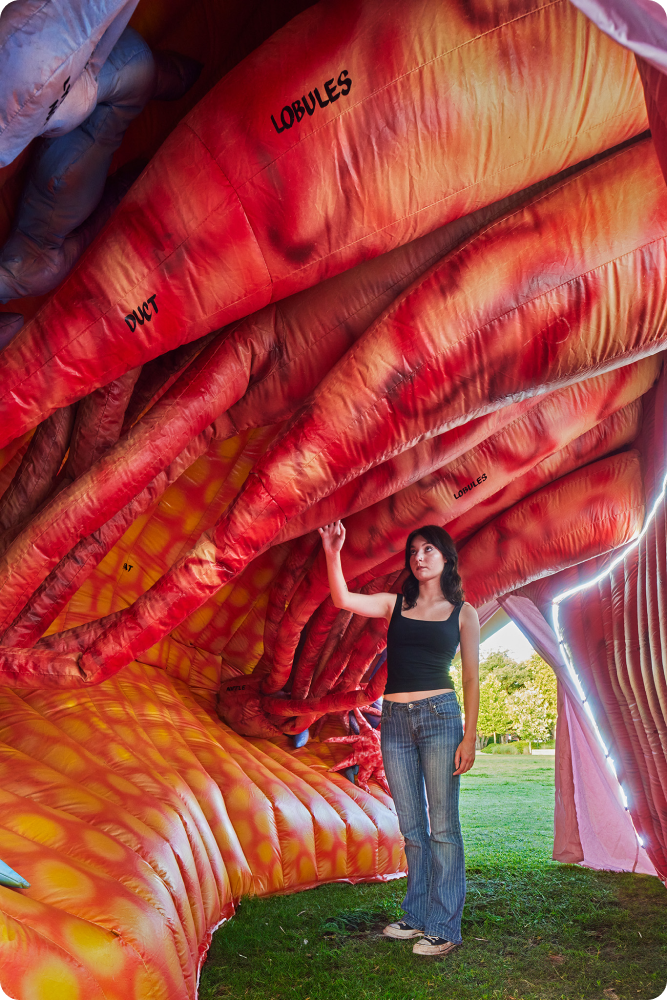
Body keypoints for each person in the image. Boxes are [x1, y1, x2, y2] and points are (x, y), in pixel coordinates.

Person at [318, 520, 480, 957]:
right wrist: (333, 552)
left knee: (443, 827)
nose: (419, 557)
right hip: (394, 720)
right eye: (413, 551)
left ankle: (444, 927)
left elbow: (470, 675)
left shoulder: (463, 612)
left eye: (428, 549)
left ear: (445, 557)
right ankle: (417, 915)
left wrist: (471, 735)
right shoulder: (396, 604)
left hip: (441, 717)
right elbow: (342, 599)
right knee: (411, 827)